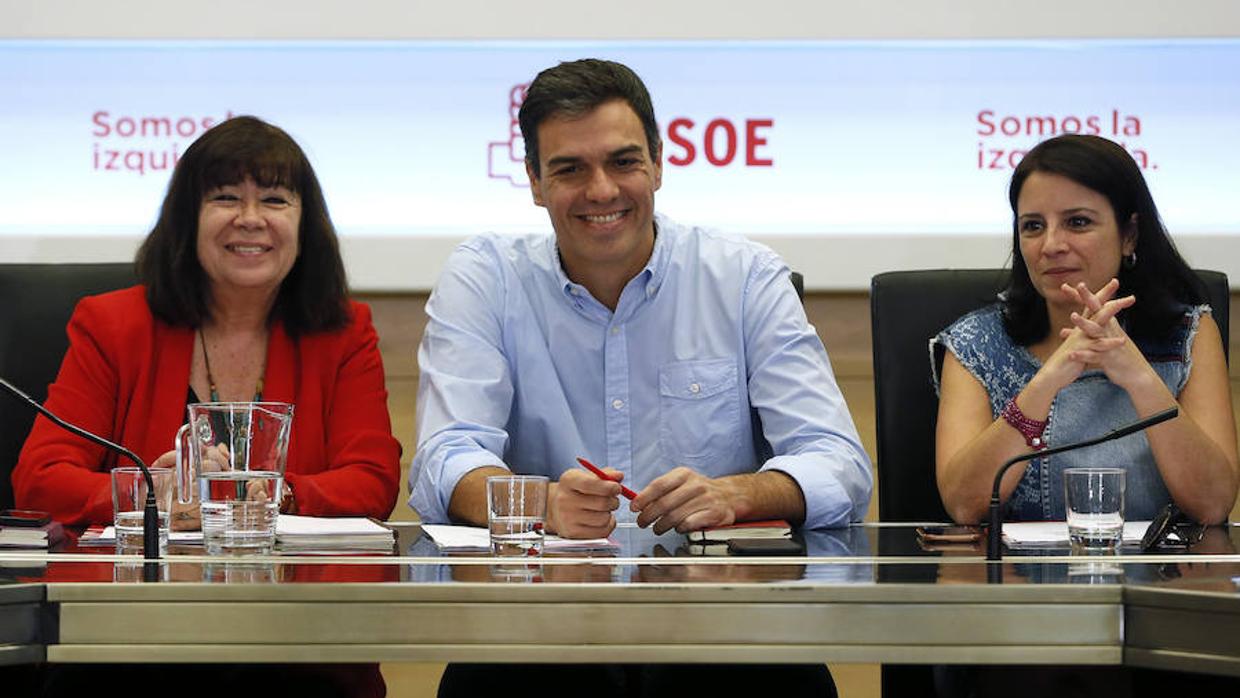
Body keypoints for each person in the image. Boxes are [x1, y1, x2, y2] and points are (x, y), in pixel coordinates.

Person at [411, 58, 870, 698]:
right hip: (538, 633)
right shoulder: (485, 276)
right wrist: (541, 505)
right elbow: (443, 460)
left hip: (727, 629)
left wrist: (739, 494)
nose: (601, 191)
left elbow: (839, 462)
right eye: (570, 168)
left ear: (658, 162)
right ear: (536, 183)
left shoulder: (743, 277)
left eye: (623, 162)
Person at [12, 115, 400, 698]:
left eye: (274, 198)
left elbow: (372, 481)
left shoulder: (344, 333)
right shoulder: (113, 326)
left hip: (298, 640)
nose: (250, 218)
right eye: (225, 198)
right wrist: (151, 493)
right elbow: (38, 481)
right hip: (126, 642)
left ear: (304, 224)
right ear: (187, 221)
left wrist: (269, 493)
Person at [934, 133, 1237, 527]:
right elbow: (964, 506)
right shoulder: (976, 343)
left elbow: (1212, 506)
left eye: (1077, 222)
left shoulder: (1186, 332)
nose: (1052, 245)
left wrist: (1140, 378)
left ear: (1129, 234)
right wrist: (1047, 381)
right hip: (1018, 584)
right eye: (1033, 226)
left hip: (1160, 578)